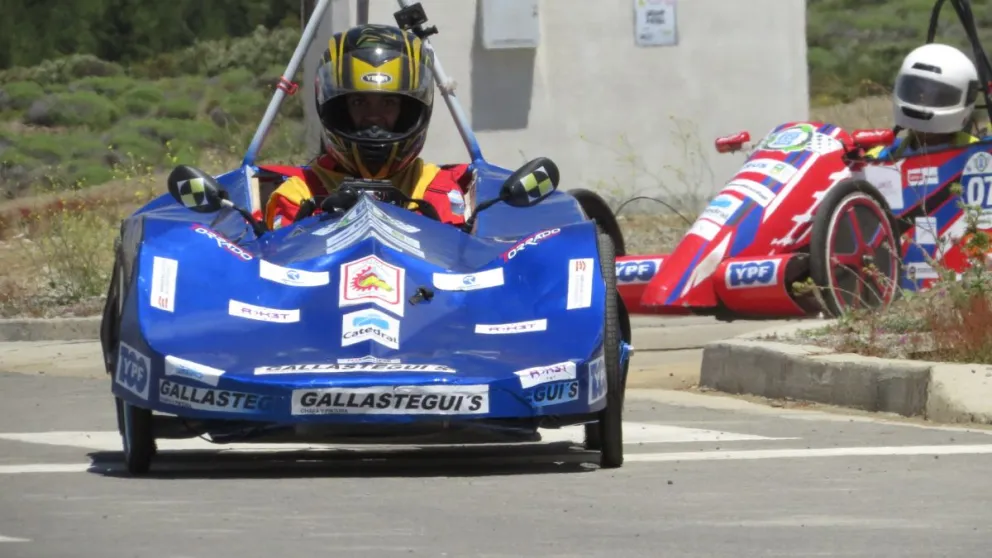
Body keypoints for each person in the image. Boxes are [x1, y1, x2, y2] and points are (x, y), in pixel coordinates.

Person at [263, 23, 473, 230]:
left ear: (410, 111)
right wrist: (323, 225)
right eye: (359, 102)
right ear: (339, 110)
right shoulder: (298, 195)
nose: (374, 118)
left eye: (388, 102)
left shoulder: (437, 188)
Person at [865, 43, 983, 161]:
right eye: (915, 91)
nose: (922, 99)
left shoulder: (980, 155)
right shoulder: (878, 157)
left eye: (938, 95)